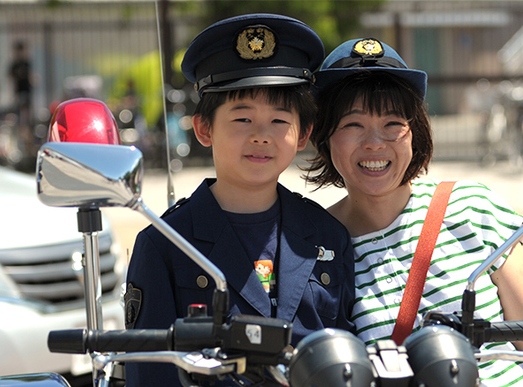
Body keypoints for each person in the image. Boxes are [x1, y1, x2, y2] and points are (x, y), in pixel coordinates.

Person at [305, 38, 523, 387]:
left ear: (415, 133)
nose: (374, 143)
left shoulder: (473, 207)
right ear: (325, 137)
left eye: (393, 124)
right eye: (353, 125)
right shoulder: (315, 248)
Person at [124, 14, 355, 386]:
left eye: (279, 121)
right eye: (242, 119)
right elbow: (150, 372)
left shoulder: (327, 235)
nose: (261, 136)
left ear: (303, 134)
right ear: (203, 128)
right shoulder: (165, 243)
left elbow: (347, 361)